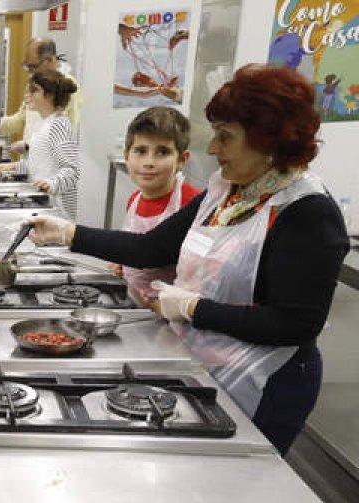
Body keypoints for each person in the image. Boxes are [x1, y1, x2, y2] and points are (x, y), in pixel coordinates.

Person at [25, 65, 349, 455]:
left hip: (268, 380)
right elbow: (151, 248)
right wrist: (66, 232)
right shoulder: (227, 191)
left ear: (268, 142)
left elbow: (295, 323)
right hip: (207, 359)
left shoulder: (307, 212)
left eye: (225, 137)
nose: (214, 149)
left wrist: (192, 308)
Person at [108, 106, 200, 305]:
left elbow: (202, 274)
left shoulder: (192, 203)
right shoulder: (134, 199)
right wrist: (122, 262)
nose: (149, 162)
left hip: (173, 318)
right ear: (126, 156)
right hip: (136, 305)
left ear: (182, 160)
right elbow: (135, 245)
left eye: (163, 152)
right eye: (140, 151)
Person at [0, 69, 81, 219]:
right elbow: (40, 164)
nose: (28, 95)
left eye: (34, 90)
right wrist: (14, 167)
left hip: (57, 211)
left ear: (50, 95)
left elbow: (72, 170)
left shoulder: (59, 124)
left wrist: (51, 184)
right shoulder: (44, 124)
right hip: (44, 205)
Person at [0, 37, 83, 156]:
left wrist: (29, 146)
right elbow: (22, 119)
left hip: (51, 163)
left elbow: (64, 132)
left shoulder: (67, 87)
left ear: (49, 60)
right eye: (27, 67)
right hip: (32, 163)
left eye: (33, 67)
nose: (30, 72)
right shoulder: (33, 85)